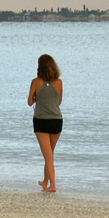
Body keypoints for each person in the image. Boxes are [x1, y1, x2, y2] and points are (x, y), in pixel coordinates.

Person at [28, 54, 63, 192]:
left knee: (48, 155)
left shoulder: (36, 82)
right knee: (49, 154)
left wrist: (38, 97)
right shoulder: (59, 82)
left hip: (41, 121)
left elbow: (30, 102)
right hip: (56, 120)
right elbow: (59, 102)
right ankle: (45, 181)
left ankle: (53, 185)